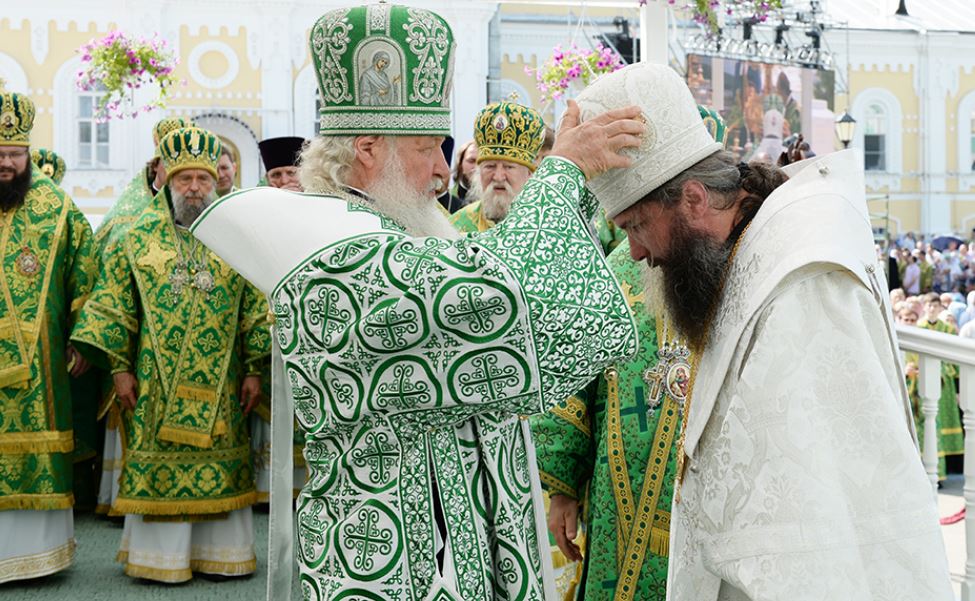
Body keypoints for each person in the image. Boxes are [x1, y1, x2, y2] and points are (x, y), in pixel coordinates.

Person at [189, 5, 644, 600]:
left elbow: (510, 306)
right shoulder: (330, 250)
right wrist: (560, 174)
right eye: (428, 147)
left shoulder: (397, 229)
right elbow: (490, 292)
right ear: (368, 147)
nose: (443, 170)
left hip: (458, 538)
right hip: (389, 556)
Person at [576, 62, 952, 599]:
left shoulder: (799, 282)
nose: (634, 251)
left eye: (636, 225)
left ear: (693, 199)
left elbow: (813, 523)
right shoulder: (744, 248)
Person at [535, 105, 727, 601]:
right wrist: (563, 488)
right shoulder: (617, 267)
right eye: (628, 226)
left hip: (709, 491)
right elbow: (575, 371)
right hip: (616, 490)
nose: (638, 246)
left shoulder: (740, 259)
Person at [70, 127, 272, 583]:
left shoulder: (236, 236)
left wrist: (254, 370)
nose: (195, 188)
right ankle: (161, 561)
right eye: (186, 179)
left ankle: (221, 554)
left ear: (215, 181)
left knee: (222, 460)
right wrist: (119, 369)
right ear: (168, 180)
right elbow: (114, 306)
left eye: (203, 178)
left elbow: (255, 307)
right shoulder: (137, 237)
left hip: (223, 384)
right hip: (154, 384)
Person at [0, 91, 95, 583]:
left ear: (28, 153)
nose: (7, 163)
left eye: (15, 154)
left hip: (40, 364)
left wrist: (82, 337)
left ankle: (38, 556)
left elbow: (87, 275)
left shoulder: (57, 207)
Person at [92, 116, 195, 516]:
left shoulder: (206, 215)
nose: (187, 182)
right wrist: (118, 362)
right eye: (173, 168)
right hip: (140, 348)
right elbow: (108, 287)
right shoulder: (129, 217)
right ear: (156, 167)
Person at [450, 100, 544, 233]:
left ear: (529, 174)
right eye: (490, 166)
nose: (498, 177)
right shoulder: (457, 225)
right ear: (478, 172)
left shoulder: (546, 224)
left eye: (509, 167)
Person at [449, 139, 478, 209]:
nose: (477, 167)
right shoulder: (448, 200)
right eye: (471, 161)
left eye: (482, 162)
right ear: (460, 165)